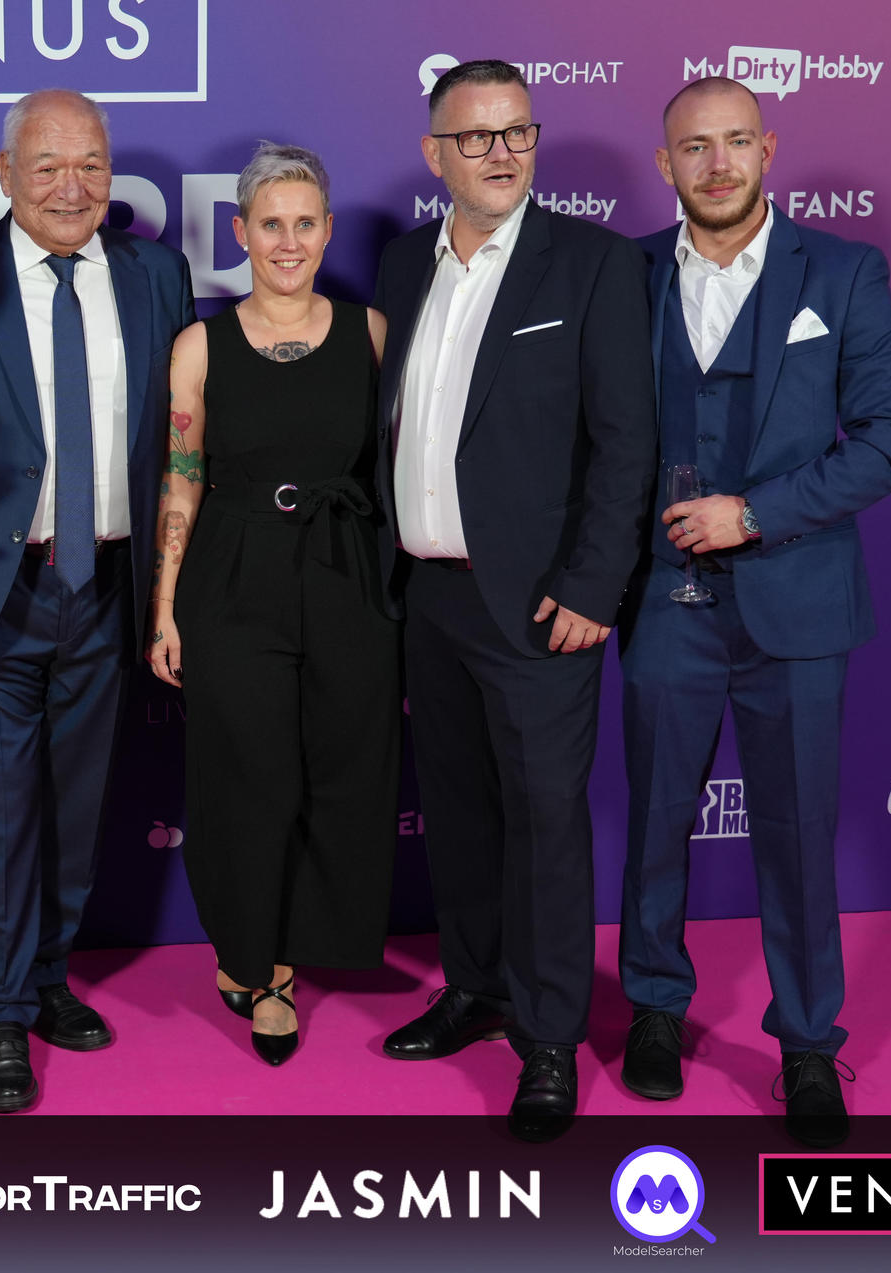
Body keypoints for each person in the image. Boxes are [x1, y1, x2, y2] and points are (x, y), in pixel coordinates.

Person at [616, 77, 891, 1148]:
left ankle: (805, 1041)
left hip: (796, 598)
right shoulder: (628, 273)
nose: (717, 164)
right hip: (663, 599)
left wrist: (751, 514)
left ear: (767, 148)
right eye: (694, 147)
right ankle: (654, 1006)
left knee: (795, 831)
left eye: (735, 141)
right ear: (665, 164)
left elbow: (889, 439)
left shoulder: (840, 271)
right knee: (655, 817)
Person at [370, 59, 656, 1141]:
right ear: (434, 154)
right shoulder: (403, 261)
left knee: (543, 825)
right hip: (428, 597)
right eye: (476, 137)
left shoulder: (591, 263)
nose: (501, 153)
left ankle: (547, 1037)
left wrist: (592, 586)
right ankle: (476, 986)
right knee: (457, 811)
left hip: (539, 605)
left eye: (517, 132)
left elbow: (625, 441)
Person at [0, 89, 194, 1112]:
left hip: (110, 587)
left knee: (77, 803)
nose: (70, 186)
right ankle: (0, 1012)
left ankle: (47, 975)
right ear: (4, 174)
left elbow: (181, 434)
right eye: (45, 165)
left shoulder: (155, 275)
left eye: (89, 164)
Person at [147, 143, 397, 1067]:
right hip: (233, 572)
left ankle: (303, 938)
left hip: (343, 570)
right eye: (270, 224)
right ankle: (266, 969)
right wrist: (166, 605)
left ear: (327, 231)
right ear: (241, 232)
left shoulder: (371, 332)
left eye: (304, 223)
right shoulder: (200, 345)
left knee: (340, 770)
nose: (288, 242)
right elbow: (182, 477)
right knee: (248, 779)